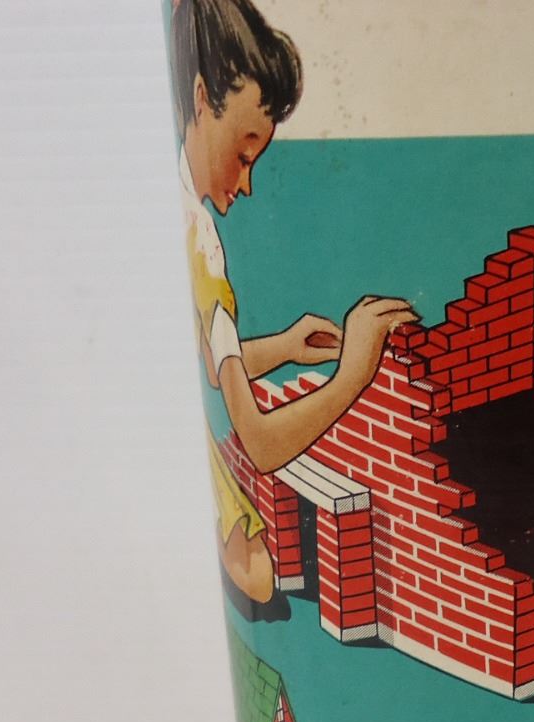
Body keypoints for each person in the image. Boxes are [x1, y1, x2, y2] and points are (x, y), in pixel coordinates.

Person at [171, 0, 416, 602]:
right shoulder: (205, 248)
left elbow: (217, 367)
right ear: (201, 99)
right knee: (259, 576)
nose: (247, 182)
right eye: (244, 153)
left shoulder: (194, 213)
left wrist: (283, 347)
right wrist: (353, 373)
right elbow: (260, 443)